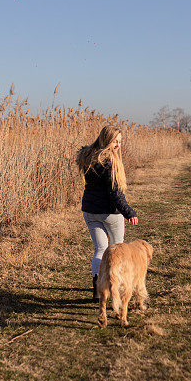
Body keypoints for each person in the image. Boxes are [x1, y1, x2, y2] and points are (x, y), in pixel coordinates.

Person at [76, 125, 138, 300]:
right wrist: (129, 213)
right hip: (110, 213)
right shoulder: (110, 162)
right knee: (118, 248)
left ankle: (98, 289)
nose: (118, 145)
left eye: (120, 141)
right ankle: (114, 286)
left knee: (100, 249)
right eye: (115, 141)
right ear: (107, 140)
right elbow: (115, 193)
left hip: (90, 211)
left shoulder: (89, 158)